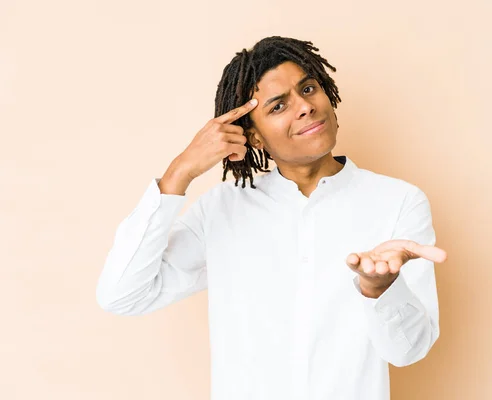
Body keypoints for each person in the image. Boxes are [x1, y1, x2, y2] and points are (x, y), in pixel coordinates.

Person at [96, 36, 447, 400]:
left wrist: (380, 289)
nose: (305, 107)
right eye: (279, 106)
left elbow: (408, 351)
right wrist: (179, 173)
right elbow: (122, 295)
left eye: (309, 88)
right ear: (254, 138)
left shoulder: (398, 201)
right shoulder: (221, 211)